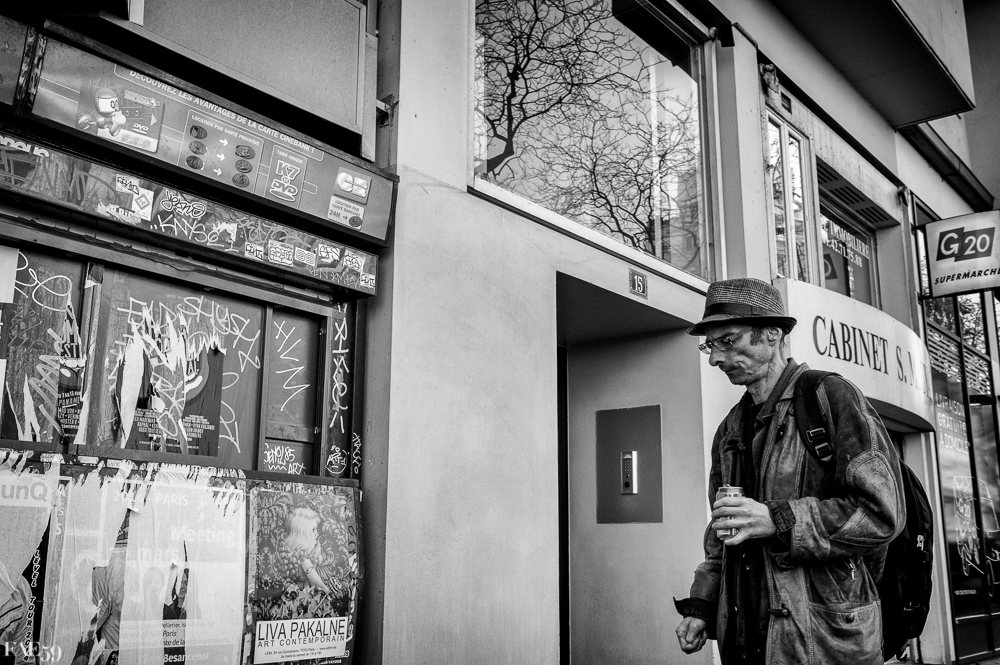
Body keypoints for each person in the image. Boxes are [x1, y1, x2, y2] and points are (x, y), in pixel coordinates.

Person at [673, 277, 905, 665]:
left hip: (824, 641)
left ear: (773, 334)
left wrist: (779, 520)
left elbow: (882, 514)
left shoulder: (831, 397)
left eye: (727, 340)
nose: (714, 359)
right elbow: (722, 533)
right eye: (709, 346)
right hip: (745, 639)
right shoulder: (730, 430)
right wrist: (702, 604)